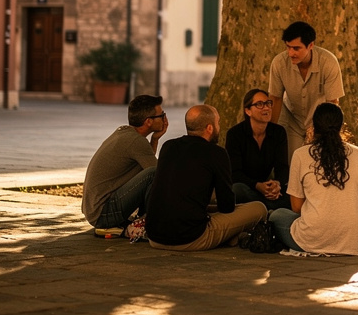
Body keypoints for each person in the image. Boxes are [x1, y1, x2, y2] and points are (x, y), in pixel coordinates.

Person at [145, 104, 266, 251]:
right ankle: (231, 235)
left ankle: (231, 235)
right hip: (190, 238)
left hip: (154, 237)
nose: (219, 127)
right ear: (209, 128)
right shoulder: (217, 153)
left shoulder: (168, 146)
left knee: (211, 208)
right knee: (259, 208)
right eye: (218, 122)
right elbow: (226, 207)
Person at [269, 102, 358, 255]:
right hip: (355, 240)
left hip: (314, 237)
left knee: (277, 215)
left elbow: (296, 207)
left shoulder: (301, 154)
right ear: (341, 126)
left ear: (314, 126)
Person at [82, 94, 167, 233]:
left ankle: (141, 219)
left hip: (95, 212)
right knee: (153, 174)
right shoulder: (136, 141)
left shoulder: (125, 133)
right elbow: (157, 174)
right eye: (161, 115)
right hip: (103, 214)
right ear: (148, 121)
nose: (164, 119)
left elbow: (144, 162)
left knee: (150, 174)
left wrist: (155, 139)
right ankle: (145, 222)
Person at [269, 21, 344, 158]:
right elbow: (275, 98)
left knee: (317, 161)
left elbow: (333, 102)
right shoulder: (279, 63)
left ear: (310, 45)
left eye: (296, 48)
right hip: (291, 119)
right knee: (291, 162)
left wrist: (324, 132)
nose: (291, 53)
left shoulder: (328, 62)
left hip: (318, 122)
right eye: (288, 47)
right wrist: (271, 133)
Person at [225, 88, 291, 210]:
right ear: (248, 111)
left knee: (293, 192)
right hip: (248, 187)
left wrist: (277, 184)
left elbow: (282, 167)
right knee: (237, 190)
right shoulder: (235, 134)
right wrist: (257, 185)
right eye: (260, 104)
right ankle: (268, 208)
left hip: (267, 189)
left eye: (268, 103)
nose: (266, 108)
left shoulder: (278, 132)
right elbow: (234, 173)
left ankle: (264, 207)